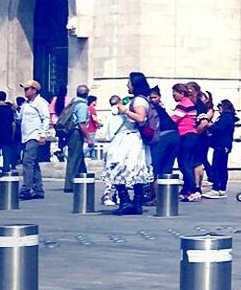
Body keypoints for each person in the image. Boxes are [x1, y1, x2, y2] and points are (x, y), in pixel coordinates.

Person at [104, 72, 155, 215]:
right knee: (134, 170)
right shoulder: (140, 99)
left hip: (130, 139)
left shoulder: (139, 101)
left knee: (121, 167)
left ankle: (127, 201)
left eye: (129, 82)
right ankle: (134, 202)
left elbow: (141, 118)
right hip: (131, 139)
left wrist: (124, 110)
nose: (127, 85)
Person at [18, 79, 51, 200]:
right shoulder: (26, 104)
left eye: (27, 89)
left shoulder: (40, 103)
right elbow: (20, 118)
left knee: (27, 161)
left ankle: (27, 188)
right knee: (33, 162)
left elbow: (46, 118)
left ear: (34, 90)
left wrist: (43, 135)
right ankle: (38, 189)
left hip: (34, 136)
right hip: (25, 136)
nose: (25, 91)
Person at [172, 82, 202, 200]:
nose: (173, 96)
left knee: (184, 164)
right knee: (188, 164)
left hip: (185, 136)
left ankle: (192, 190)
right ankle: (187, 189)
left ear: (181, 93)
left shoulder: (183, 104)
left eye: (174, 93)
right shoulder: (190, 103)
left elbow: (174, 120)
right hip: (192, 136)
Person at [61, 84, 92, 192]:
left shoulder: (73, 102)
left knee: (78, 156)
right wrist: (88, 138)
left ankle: (83, 178)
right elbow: (81, 124)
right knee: (74, 158)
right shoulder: (82, 105)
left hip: (71, 133)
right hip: (76, 133)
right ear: (87, 94)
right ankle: (70, 184)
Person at [204, 98, 237, 198]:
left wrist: (210, 126)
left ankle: (216, 188)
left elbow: (219, 129)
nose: (219, 110)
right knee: (222, 167)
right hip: (225, 145)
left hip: (221, 145)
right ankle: (222, 188)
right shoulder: (229, 117)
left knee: (217, 166)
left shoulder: (225, 117)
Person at [147, 86, 180, 184]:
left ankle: (156, 194)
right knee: (167, 167)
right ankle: (166, 194)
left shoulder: (150, 108)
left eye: (154, 97)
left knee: (156, 166)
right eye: (151, 98)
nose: (152, 100)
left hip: (163, 137)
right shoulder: (161, 108)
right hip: (175, 136)